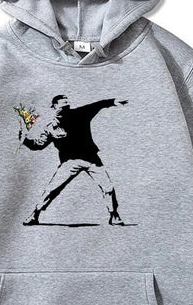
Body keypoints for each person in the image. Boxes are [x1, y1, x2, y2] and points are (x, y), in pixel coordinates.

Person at [19, 95, 128, 225]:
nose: (66, 105)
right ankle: (34, 215)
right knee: (52, 189)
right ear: (54, 106)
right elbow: (38, 145)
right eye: (62, 104)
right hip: (69, 162)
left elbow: (97, 105)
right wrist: (25, 140)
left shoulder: (81, 113)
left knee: (108, 187)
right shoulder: (51, 128)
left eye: (67, 104)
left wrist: (113, 102)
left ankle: (114, 215)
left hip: (91, 159)